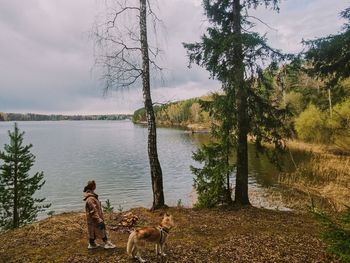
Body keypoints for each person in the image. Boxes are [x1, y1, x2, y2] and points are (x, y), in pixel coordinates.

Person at [83, 180, 116, 249]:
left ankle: (92, 244)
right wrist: (99, 220)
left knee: (93, 232)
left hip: (93, 219)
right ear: (93, 186)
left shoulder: (91, 196)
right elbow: (93, 211)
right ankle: (107, 243)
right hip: (94, 219)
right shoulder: (90, 199)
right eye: (95, 185)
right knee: (101, 230)